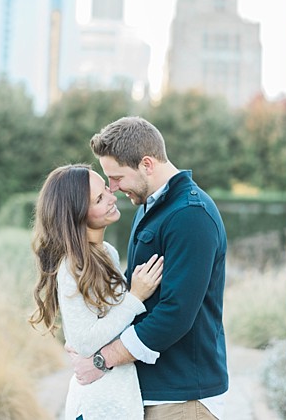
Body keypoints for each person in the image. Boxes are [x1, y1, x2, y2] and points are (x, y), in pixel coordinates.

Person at [69, 116, 228, 420]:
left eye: (116, 177)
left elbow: (175, 314)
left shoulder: (190, 215)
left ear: (146, 164)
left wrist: (102, 360)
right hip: (153, 394)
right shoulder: (151, 208)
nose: (112, 188)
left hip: (183, 400)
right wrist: (84, 335)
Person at [30, 163, 164, 419]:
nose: (113, 198)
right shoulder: (73, 267)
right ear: (78, 213)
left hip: (118, 401)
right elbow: (84, 341)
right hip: (96, 406)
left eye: (106, 189)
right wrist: (135, 297)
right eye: (100, 198)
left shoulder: (107, 254)